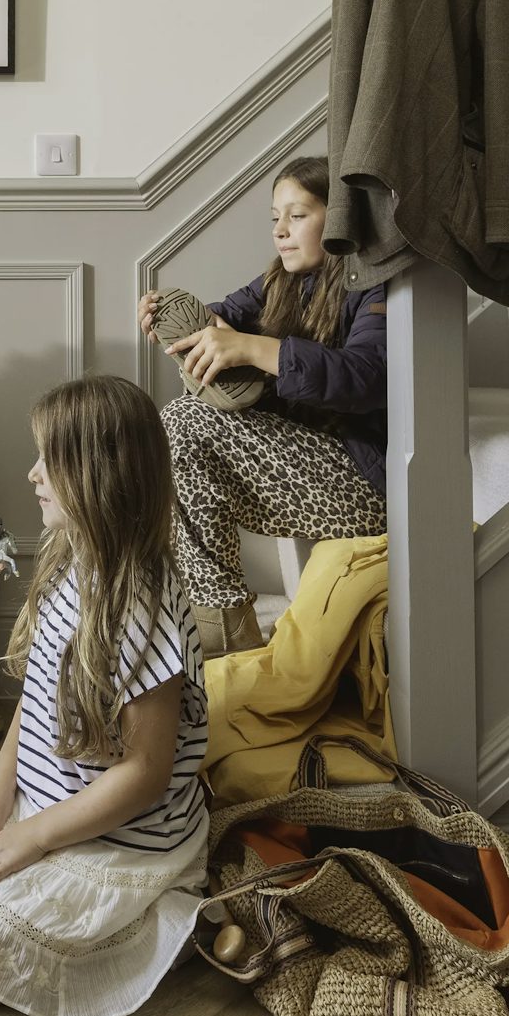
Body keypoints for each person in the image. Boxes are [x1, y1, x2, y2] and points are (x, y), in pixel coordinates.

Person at [0, 376, 208, 1016]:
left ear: (96, 475)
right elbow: (36, 700)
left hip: (121, 840)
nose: (31, 475)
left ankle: (167, 933)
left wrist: (33, 837)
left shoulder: (141, 607)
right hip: (47, 803)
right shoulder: (70, 559)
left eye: (47, 463)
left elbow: (145, 776)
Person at [138, 155, 387, 657]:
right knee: (180, 438)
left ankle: (223, 636)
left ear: (338, 218)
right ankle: (216, 623)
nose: (280, 230)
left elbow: (367, 378)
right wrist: (170, 317)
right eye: (275, 218)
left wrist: (255, 349)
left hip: (364, 482)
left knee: (184, 426)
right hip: (308, 464)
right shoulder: (282, 280)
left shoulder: (376, 281)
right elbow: (221, 316)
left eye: (297, 215)